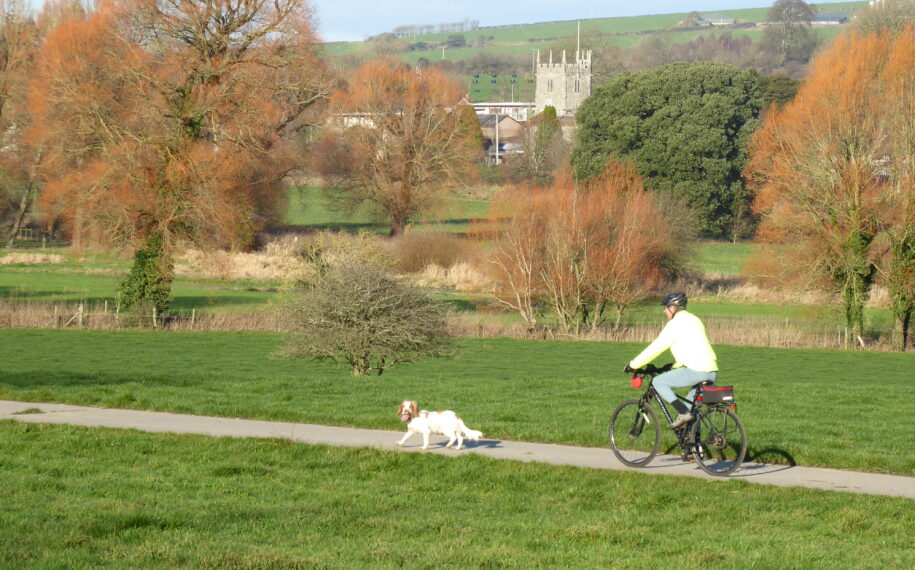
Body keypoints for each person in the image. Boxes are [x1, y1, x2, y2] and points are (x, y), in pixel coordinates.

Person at [625, 292, 718, 429]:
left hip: (696, 371)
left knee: (658, 382)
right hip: (711, 371)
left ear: (673, 308)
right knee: (692, 410)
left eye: (666, 308)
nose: (664, 311)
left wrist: (633, 365)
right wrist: (675, 366)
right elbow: (692, 346)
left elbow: (657, 347)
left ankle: (683, 413)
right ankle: (694, 447)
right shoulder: (695, 320)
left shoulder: (676, 324)